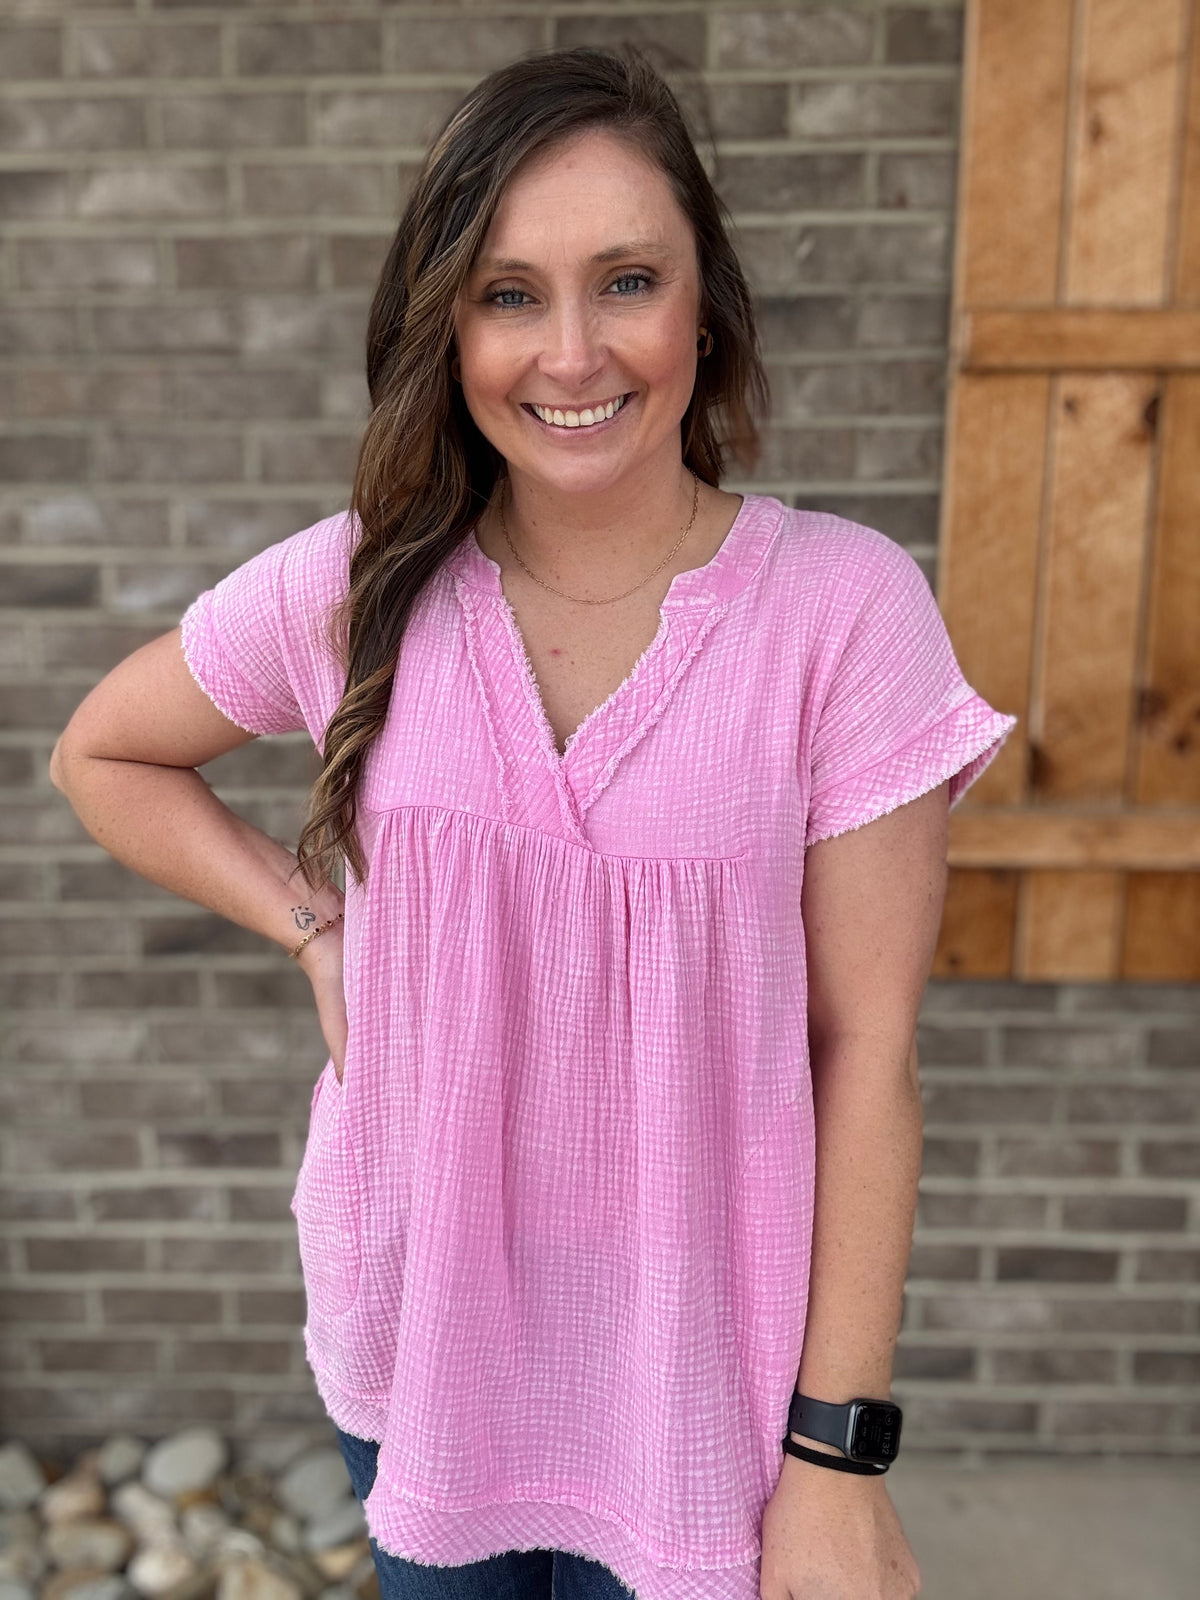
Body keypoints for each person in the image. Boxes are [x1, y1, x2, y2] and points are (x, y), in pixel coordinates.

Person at [49, 45, 1016, 1600]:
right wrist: (316, 931)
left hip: (707, 1392)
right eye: (510, 294)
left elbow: (869, 1054)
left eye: (627, 280)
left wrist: (838, 1457)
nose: (572, 353)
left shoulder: (842, 615)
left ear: (706, 307)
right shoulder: (362, 582)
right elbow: (105, 753)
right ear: (449, 324)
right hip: (420, 1352)